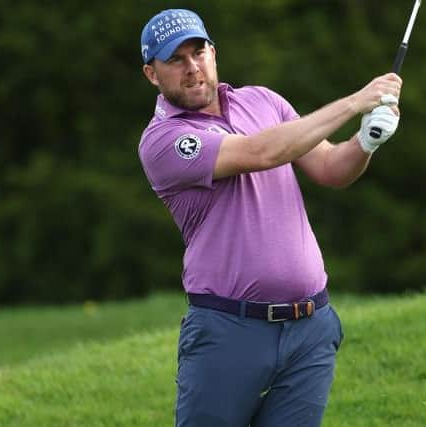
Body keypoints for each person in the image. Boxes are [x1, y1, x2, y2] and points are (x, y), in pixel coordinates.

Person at [137, 8, 402, 427]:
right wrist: (355, 102)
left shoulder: (264, 101)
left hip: (311, 326)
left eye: (198, 53)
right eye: (175, 60)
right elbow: (262, 153)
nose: (192, 68)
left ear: (213, 53)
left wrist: (366, 141)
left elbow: (331, 168)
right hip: (228, 330)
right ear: (152, 74)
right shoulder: (164, 140)